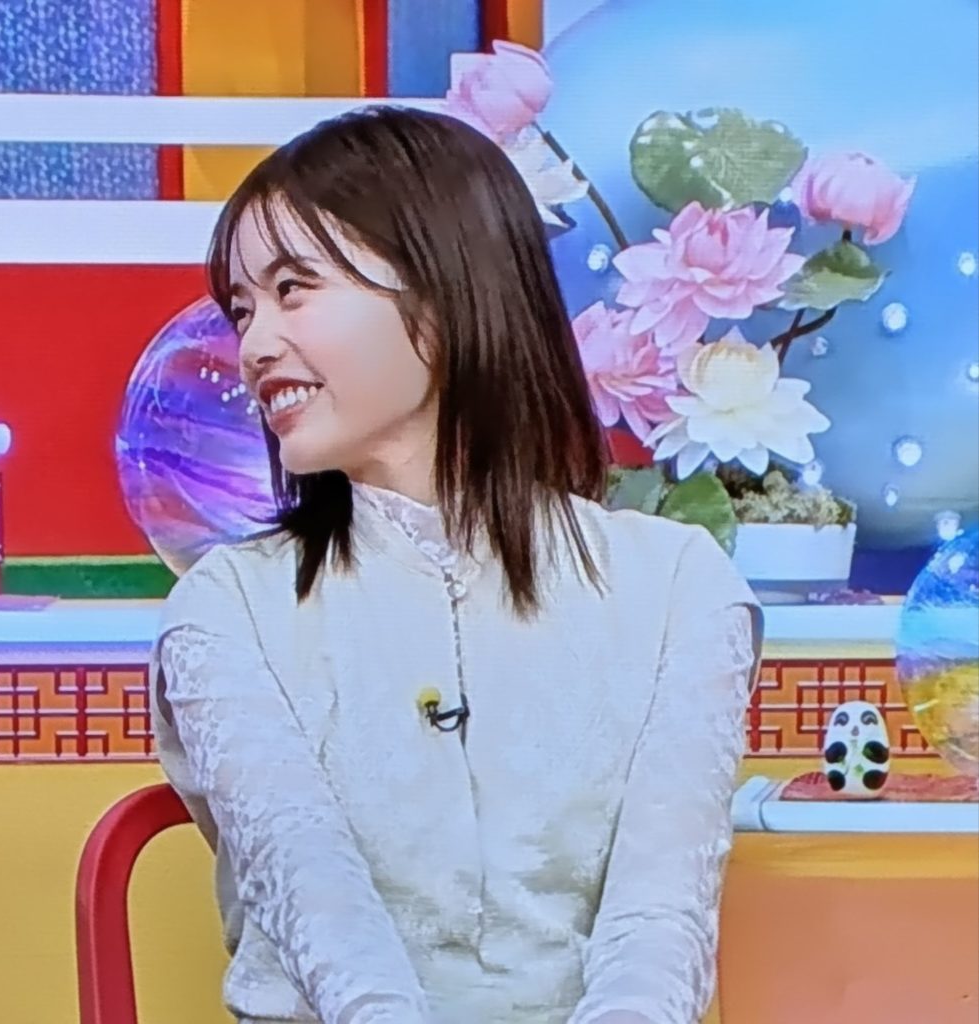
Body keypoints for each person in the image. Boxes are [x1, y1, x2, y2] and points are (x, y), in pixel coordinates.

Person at [149, 105, 764, 1024]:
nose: (253, 345)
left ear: (443, 289)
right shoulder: (226, 610)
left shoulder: (679, 587)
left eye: (293, 289)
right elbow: (325, 921)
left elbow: (658, 927)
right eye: (243, 308)